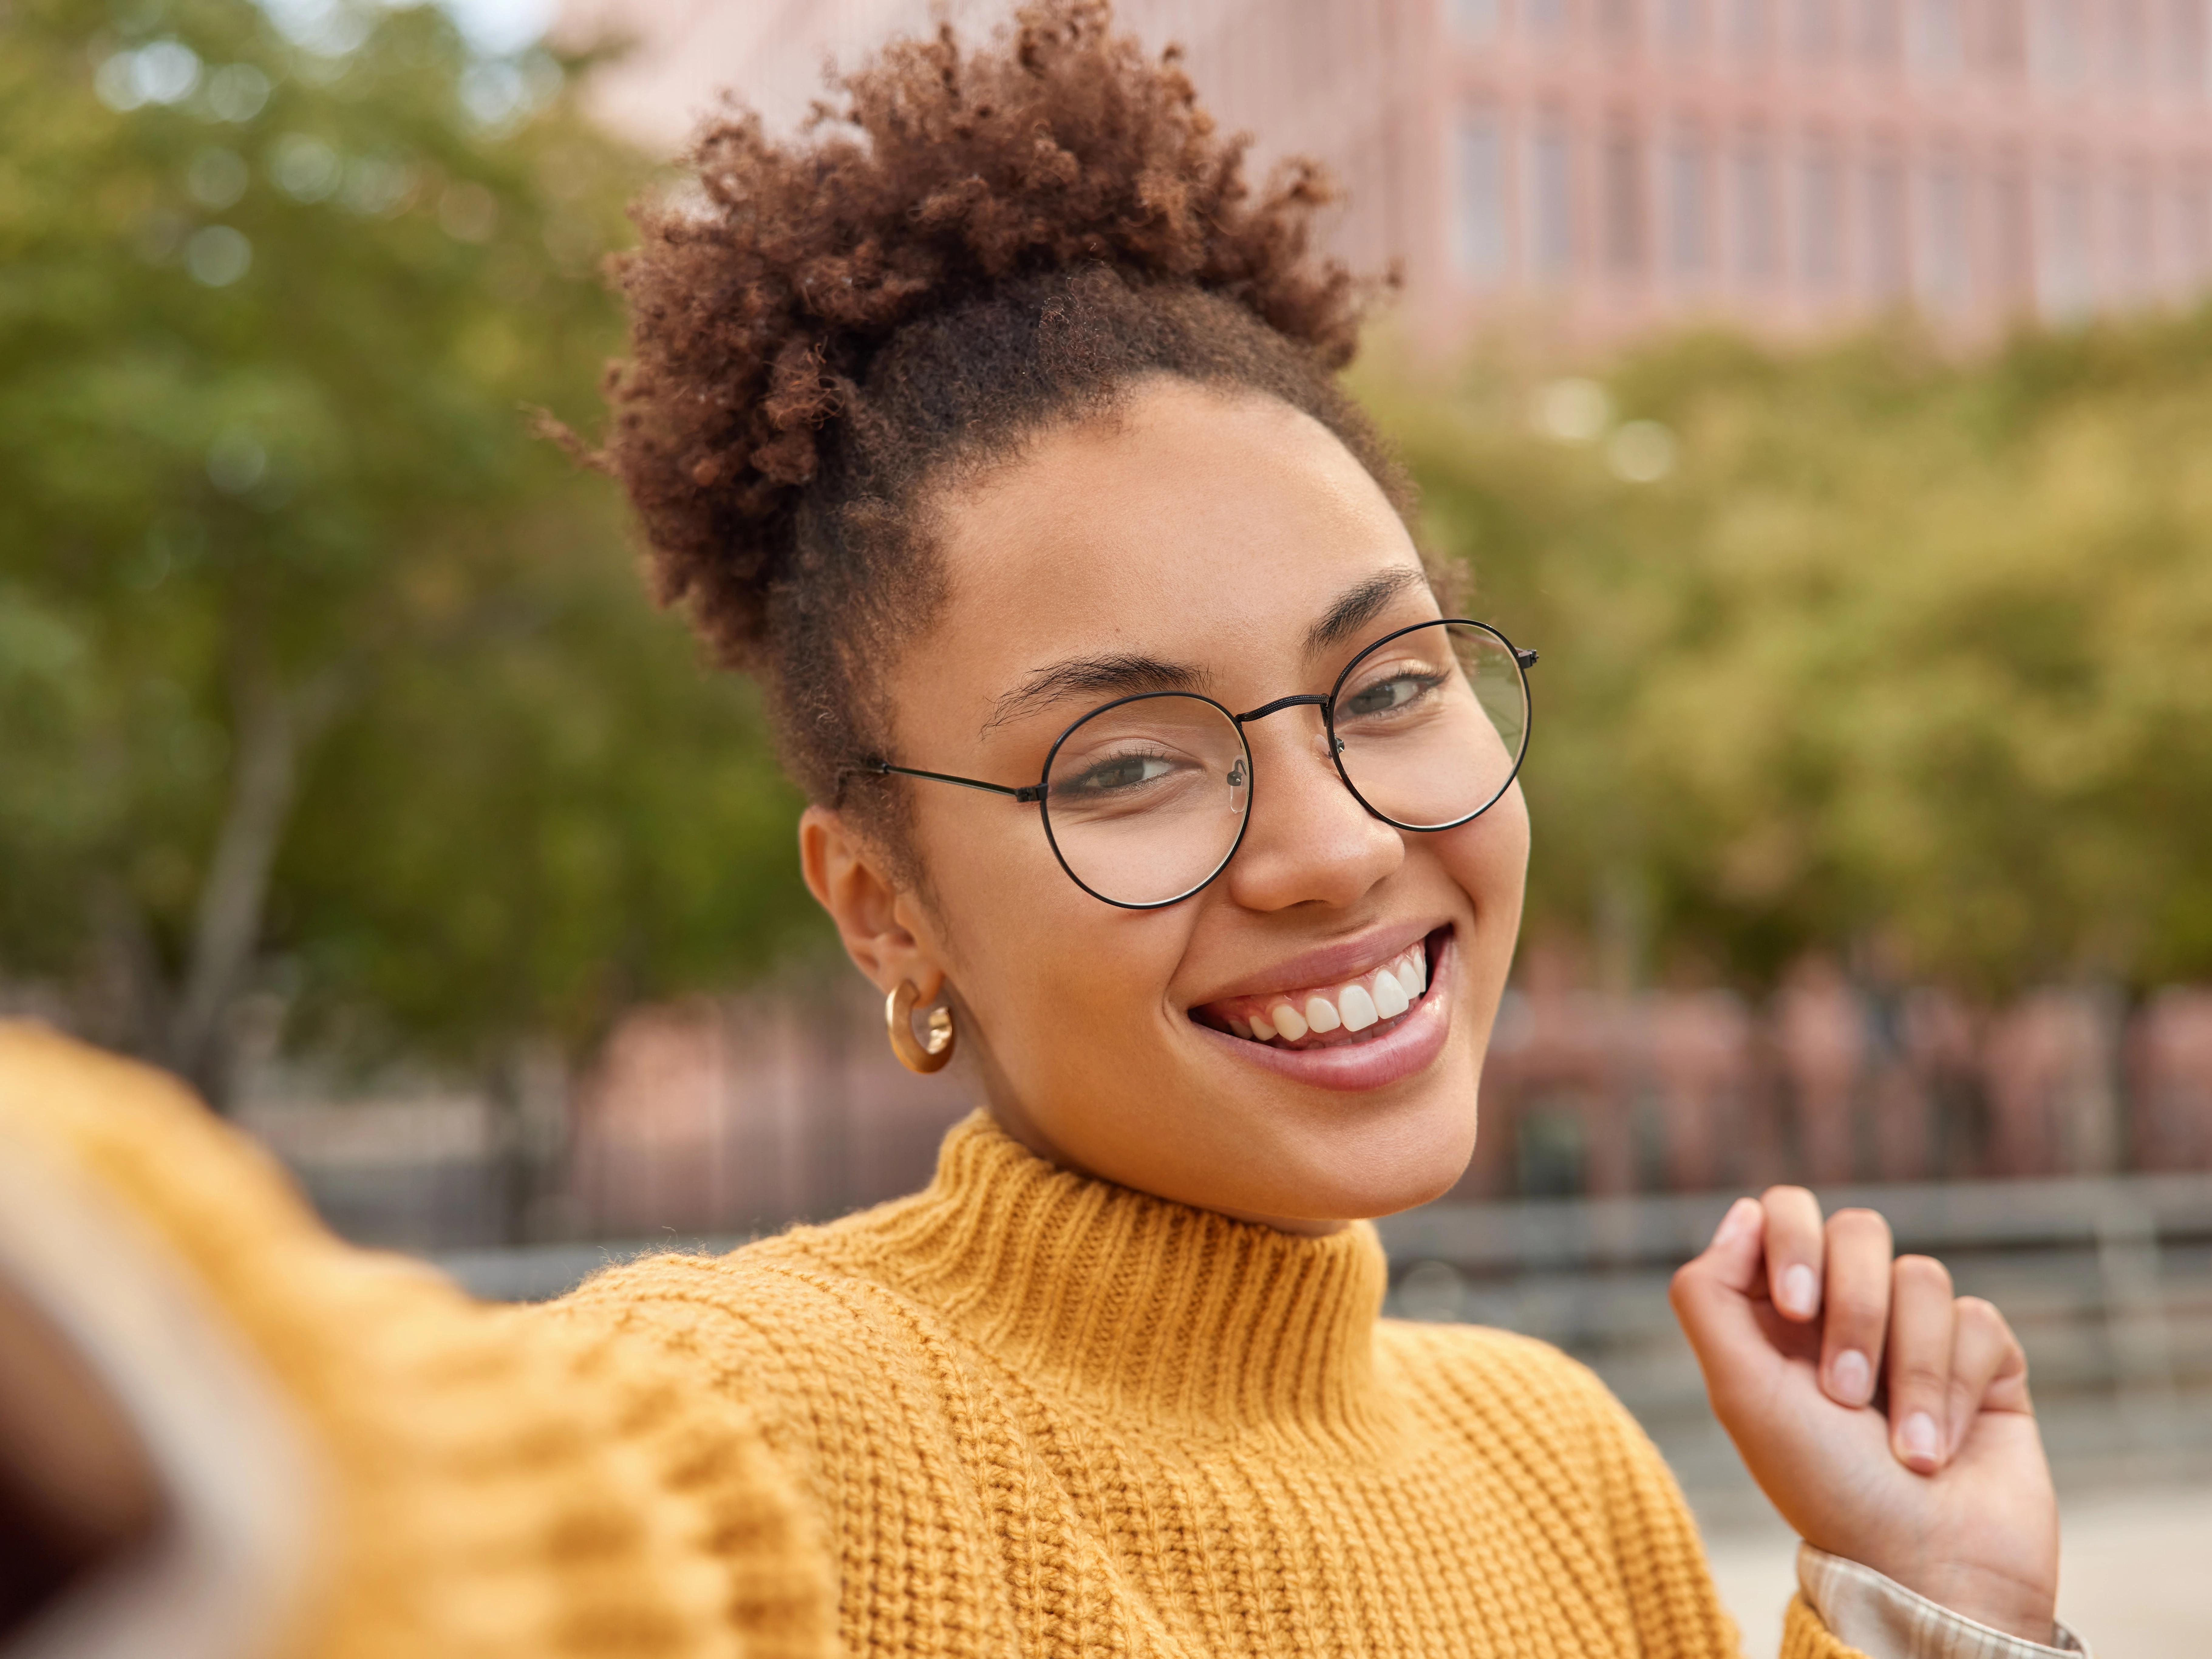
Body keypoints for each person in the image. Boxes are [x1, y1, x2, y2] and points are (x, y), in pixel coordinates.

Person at [0, 5, 2074, 1655]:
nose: (1333, 846)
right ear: (882, 908)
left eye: (1386, 685)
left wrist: (1935, 1606)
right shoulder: (775, 1417)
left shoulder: (1559, 1458)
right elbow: (410, 1490)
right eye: (1128, 765)